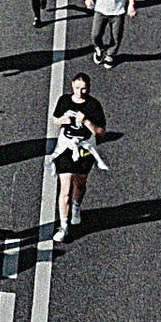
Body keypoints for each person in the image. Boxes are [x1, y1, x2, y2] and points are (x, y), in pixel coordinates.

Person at [50, 72, 107, 240]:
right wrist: (62, 120)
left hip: (85, 148)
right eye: (77, 88)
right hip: (66, 147)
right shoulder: (64, 101)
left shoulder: (93, 105)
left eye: (83, 89)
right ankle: (63, 226)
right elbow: (55, 119)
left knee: (80, 183)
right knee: (65, 188)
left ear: (88, 88)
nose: (80, 92)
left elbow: (100, 131)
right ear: (72, 86)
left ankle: (76, 206)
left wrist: (86, 121)